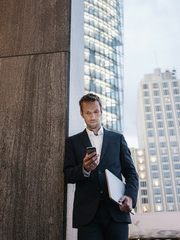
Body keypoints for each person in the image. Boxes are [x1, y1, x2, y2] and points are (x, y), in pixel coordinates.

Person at [64, 93, 139, 240]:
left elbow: (131, 173)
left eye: (96, 112)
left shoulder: (118, 139)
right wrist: (84, 168)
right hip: (87, 216)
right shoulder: (72, 142)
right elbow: (67, 174)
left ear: (101, 112)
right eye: (88, 113)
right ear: (81, 114)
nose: (92, 116)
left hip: (116, 212)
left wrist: (130, 197)